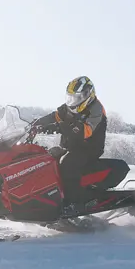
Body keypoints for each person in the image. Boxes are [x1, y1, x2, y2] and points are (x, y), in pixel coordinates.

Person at [34, 76, 108, 215]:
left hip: (88, 149)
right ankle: (48, 199)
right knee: (46, 160)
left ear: (87, 95)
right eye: (70, 98)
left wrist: (59, 126)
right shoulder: (69, 108)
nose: (72, 102)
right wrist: (35, 125)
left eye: (76, 98)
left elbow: (85, 131)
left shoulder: (96, 109)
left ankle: (75, 203)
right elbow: (54, 116)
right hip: (71, 147)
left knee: (68, 164)